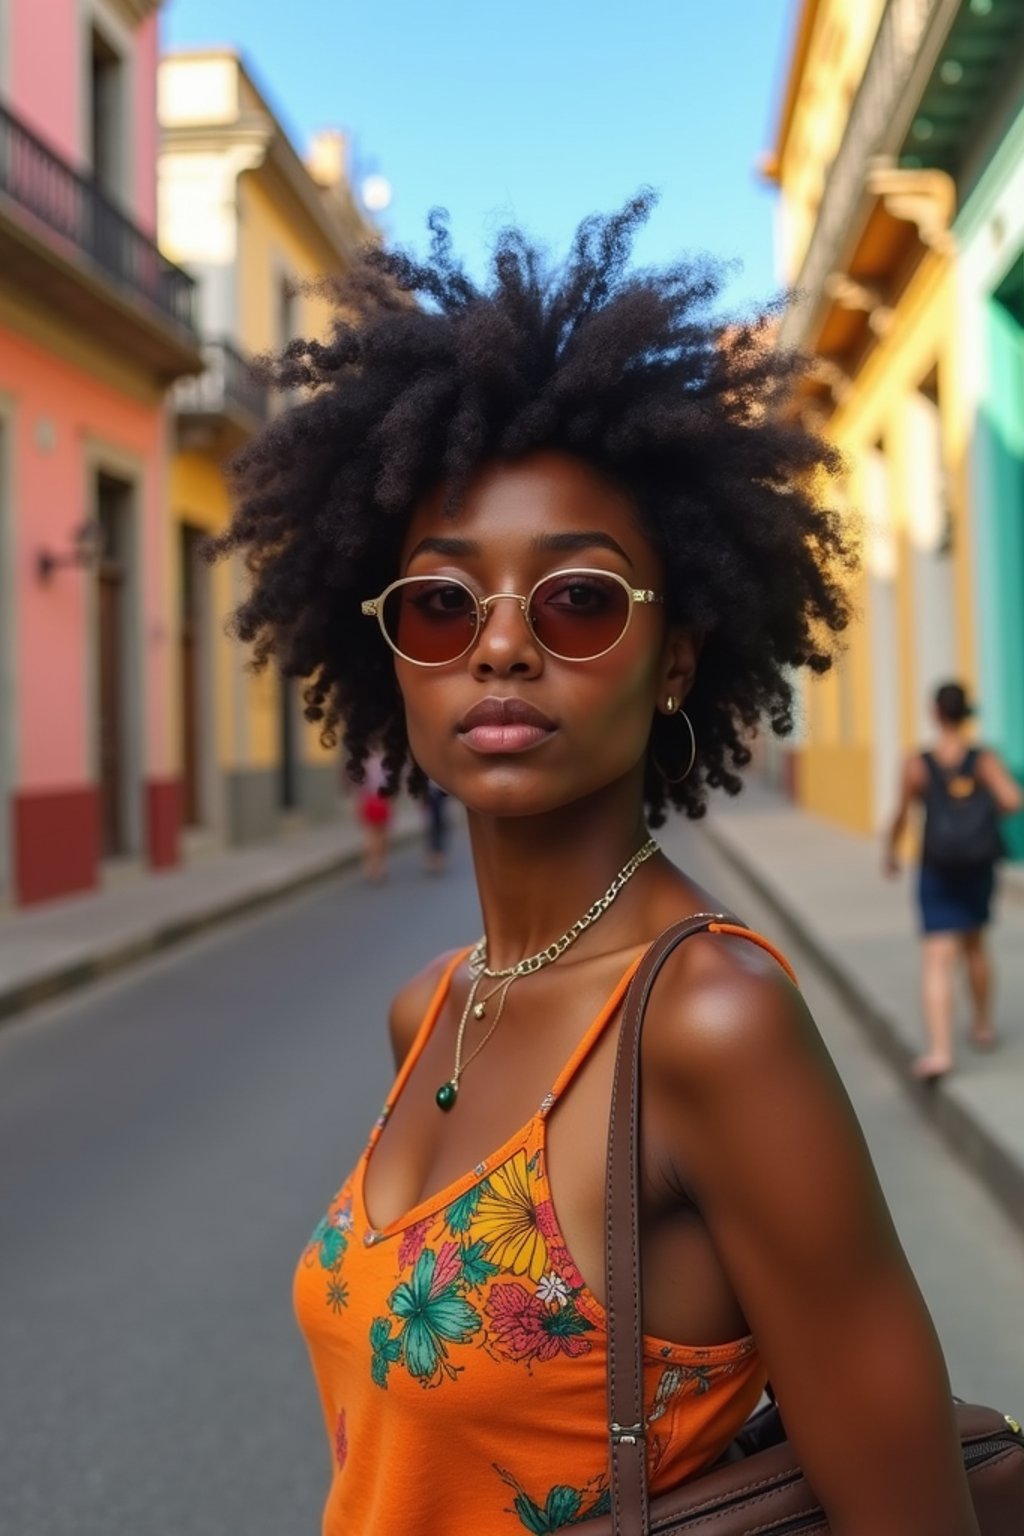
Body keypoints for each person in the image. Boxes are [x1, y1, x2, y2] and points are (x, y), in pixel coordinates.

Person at [214, 198, 980, 1535]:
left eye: (575, 598)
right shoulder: (431, 1009)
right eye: (444, 604)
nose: (501, 648)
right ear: (394, 660)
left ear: (675, 653)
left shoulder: (709, 1024)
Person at [885, 681, 1021, 1082]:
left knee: (936, 956)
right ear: (966, 714)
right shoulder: (983, 759)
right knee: (976, 944)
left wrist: (890, 852)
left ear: (935, 712)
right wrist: (978, 809)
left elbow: (901, 814)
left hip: (937, 867)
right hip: (977, 865)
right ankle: (981, 1025)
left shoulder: (917, 763)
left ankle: (941, 1052)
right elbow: (1012, 800)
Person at [357, 752, 392, 882]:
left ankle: (371, 864)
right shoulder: (386, 763)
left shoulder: (364, 763)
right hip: (381, 802)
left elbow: (360, 788)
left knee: (370, 833)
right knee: (381, 835)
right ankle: (379, 865)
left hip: (370, 801)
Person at [422, 780, 450, 874]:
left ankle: (438, 857)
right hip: (430, 798)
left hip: (438, 799)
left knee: (438, 829)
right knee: (431, 831)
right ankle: (433, 857)